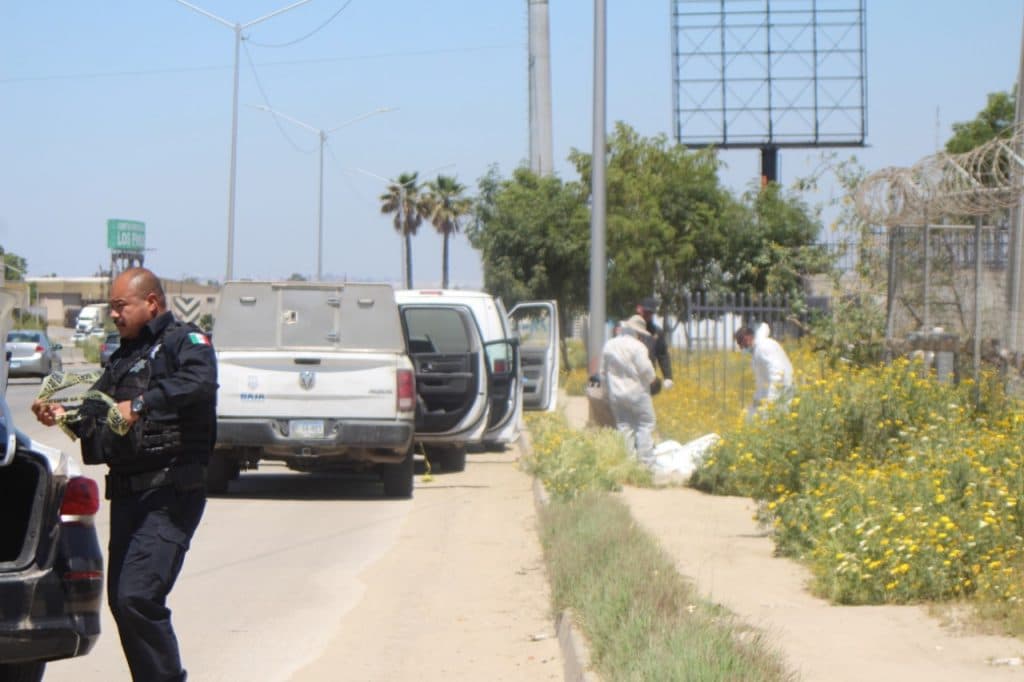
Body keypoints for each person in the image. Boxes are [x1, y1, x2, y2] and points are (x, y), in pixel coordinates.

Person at [33, 268, 217, 682]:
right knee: (122, 600)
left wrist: (142, 404)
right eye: (112, 308)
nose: (114, 315)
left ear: (150, 302)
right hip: (131, 496)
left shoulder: (186, 343)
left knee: (139, 596)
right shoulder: (123, 357)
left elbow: (200, 383)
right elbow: (101, 417)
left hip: (171, 492)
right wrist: (62, 416)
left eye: (121, 306)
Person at [601, 314, 658, 464]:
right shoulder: (638, 347)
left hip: (616, 393)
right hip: (637, 393)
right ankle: (645, 461)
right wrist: (653, 380)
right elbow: (646, 370)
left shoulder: (609, 345)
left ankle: (627, 461)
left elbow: (602, 372)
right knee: (646, 423)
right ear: (637, 332)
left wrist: (607, 391)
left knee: (624, 426)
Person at [734, 322, 793, 419]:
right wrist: (757, 399)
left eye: (741, 342)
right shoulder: (759, 349)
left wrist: (770, 399)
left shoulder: (764, 347)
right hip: (772, 394)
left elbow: (776, 373)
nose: (741, 347)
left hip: (780, 393)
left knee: (775, 422)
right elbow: (762, 380)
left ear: (748, 337)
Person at [637, 297, 673, 389]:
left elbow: (662, 354)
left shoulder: (656, 332)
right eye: (645, 312)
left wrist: (668, 377)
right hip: (630, 376)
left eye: (650, 313)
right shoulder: (629, 329)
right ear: (639, 309)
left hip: (648, 376)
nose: (647, 315)